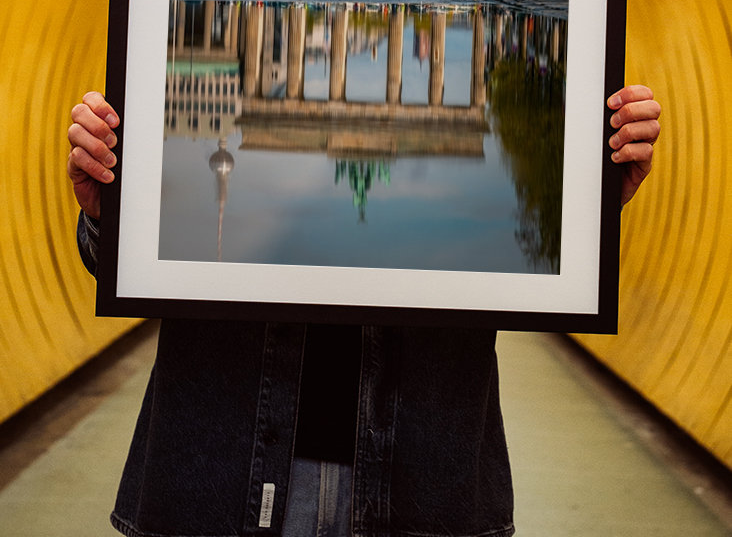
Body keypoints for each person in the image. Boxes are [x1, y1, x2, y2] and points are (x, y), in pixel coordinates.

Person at [68, 86, 660, 537]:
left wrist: (582, 206)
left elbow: (522, 250)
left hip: (421, 486)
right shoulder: (225, 167)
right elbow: (120, 264)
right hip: (220, 474)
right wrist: (108, 215)